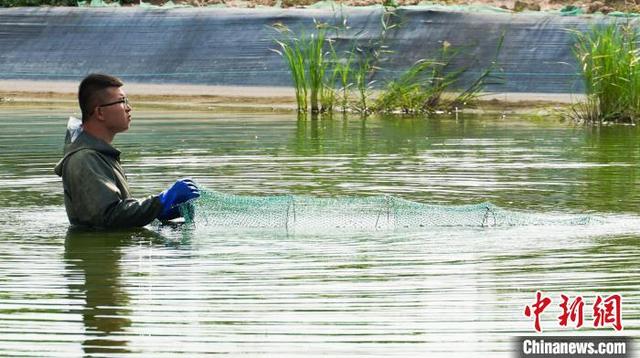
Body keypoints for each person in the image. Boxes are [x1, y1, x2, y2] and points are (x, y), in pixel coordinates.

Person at [54, 73, 200, 228]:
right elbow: (108, 217)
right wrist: (160, 202)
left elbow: (116, 212)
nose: (129, 108)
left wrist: (157, 213)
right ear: (100, 112)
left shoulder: (99, 154)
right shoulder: (85, 158)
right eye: (122, 101)